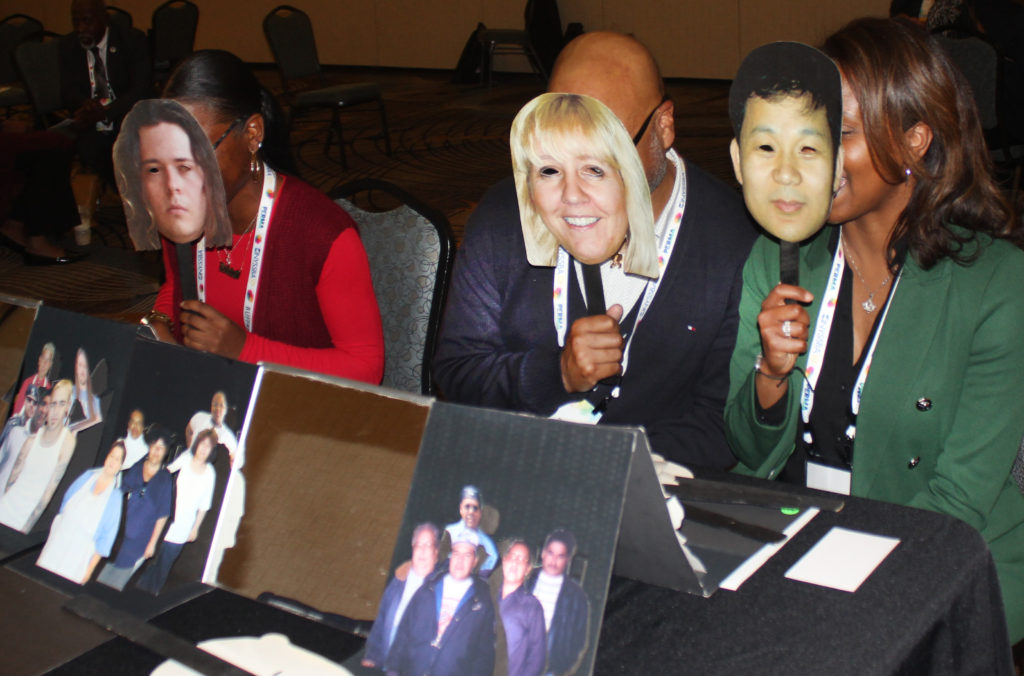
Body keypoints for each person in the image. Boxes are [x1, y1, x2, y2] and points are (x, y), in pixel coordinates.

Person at [723, 17, 1024, 644]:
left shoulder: (996, 286)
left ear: (914, 141)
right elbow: (750, 452)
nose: (818, 160)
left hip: (932, 553)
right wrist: (771, 377)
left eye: (845, 134)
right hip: (792, 528)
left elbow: (957, 501)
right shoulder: (777, 258)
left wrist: (831, 578)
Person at [433, 32, 757, 469]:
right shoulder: (505, 215)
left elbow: (723, 425)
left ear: (663, 127)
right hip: (512, 474)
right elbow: (457, 373)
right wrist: (556, 373)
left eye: (606, 152)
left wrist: (596, 471)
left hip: (660, 499)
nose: (572, 197)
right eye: (553, 154)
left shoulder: (734, 241)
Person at [148, 50, 384, 383]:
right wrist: (161, 320)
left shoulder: (324, 235)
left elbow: (366, 368)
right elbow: (176, 284)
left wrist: (245, 350)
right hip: (211, 397)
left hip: (296, 410)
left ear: (253, 133)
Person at [727, 41, 843, 246]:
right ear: (737, 160)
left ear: (837, 165)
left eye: (807, 149)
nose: (787, 174)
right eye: (766, 147)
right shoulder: (746, 258)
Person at [113, 98, 232, 250]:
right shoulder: (167, 230)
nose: (171, 185)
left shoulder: (247, 222)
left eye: (184, 167)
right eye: (154, 170)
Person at [58, 0, 151, 182]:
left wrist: (106, 112)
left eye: (87, 21)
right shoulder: (68, 45)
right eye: (75, 21)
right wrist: (85, 105)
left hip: (126, 116)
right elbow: (67, 91)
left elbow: (141, 89)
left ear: (104, 19)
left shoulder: (132, 40)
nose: (80, 28)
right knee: (84, 146)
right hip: (91, 121)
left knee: (126, 147)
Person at [387, 530, 496, 675]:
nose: (460, 560)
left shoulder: (483, 603)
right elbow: (403, 633)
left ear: (475, 561)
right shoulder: (427, 590)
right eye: (456, 553)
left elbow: (484, 656)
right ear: (450, 557)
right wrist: (392, 671)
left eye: (467, 555)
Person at [136, 428, 217, 594]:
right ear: (197, 444)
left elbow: (204, 506)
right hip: (163, 521)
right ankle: (135, 593)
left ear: (212, 450)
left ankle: (148, 599)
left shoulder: (210, 474)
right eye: (202, 444)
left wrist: (195, 528)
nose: (203, 449)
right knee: (147, 560)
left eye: (208, 446)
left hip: (183, 528)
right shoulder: (186, 458)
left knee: (163, 567)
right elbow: (167, 472)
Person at [97, 425, 174, 590]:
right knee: (102, 574)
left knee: (118, 582)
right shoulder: (137, 467)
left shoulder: (165, 479)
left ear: (166, 452)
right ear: (149, 447)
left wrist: (152, 543)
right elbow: (119, 493)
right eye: (154, 446)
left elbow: (163, 515)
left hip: (140, 542)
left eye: (161, 448)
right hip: (120, 536)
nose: (156, 451)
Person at [36, 440, 124, 584]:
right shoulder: (87, 477)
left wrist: (88, 572)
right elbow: (64, 504)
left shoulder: (115, 498)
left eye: (117, 459)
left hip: (78, 558)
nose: (113, 461)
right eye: (111, 456)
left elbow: (106, 540)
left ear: (120, 466)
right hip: (56, 545)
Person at [0, 379, 77, 533]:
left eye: (61, 404)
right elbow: (12, 480)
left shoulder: (67, 441)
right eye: (53, 404)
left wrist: (26, 527)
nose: (55, 411)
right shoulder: (31, 440)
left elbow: (47, 494)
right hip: (5, 510)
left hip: (22, 522)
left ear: (68, 407)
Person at [362, 523, 440, 669]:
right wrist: (372, 656)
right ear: (412, 548)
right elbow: (381, 620)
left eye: (428, 545)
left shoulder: (440, 589)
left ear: (436, 552)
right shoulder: (399, 579)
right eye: (418, 544)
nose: (422, 550)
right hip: (385, 664)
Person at [525, 530, 589, 676]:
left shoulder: (576, 598)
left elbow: (579, 641)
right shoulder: (523, 579)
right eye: (550, 553)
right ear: (543, 553)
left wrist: (560, 670)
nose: (553, 560)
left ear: (567, 560)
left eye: (560, 556)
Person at [498, 539, 546, 676]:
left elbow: (537, 659)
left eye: (521, 560)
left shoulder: (532, 607)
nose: (515, 563)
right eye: (512, 557)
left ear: (528, 569)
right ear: (504, 560)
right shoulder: (485, 594)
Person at [444, 485, 498, 573]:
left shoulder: (486, 544)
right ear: (461, 508)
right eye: (467, 507)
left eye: (475, 508)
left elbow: (493, 559)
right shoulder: (448, 532)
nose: (471, 512)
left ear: (480, 512)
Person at [0, 384, 42, 492]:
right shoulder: (14, 423)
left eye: (35, 402)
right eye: (29, 400)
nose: (31, 405)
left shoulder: (37, 434)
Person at [184, 391, 238, 463]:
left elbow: (234, 456)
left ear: (225, 410)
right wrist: (191, 450)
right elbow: (189, 430)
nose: (218, 409)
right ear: (211, 406)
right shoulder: (200, 417)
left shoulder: (226, 435)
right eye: (215, 405)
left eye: (221, 406)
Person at [12, 343, 55, 415]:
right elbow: (17, 409)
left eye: (48, 361)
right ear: (39, 360)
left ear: (50, 365)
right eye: (43, 359)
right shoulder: (27, 382)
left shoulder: (49, 389)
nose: (44, 363)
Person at [67, 347, 102, 433]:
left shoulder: (95, 401)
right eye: (80, 365)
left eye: (85, 366)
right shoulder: (66, 390)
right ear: (76, 367)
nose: (82, 371)